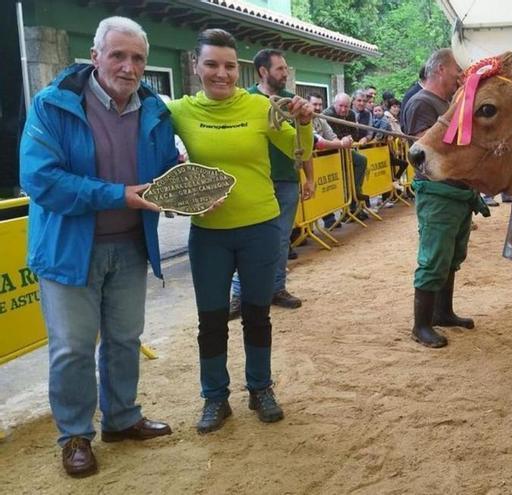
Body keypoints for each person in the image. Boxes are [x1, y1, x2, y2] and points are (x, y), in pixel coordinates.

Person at [19, 16, 175, 478]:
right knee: (72, 347)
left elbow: (165, 170)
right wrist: (120, 194)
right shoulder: (52, 105)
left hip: (130, 245)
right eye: (118, 55)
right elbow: (41, 180)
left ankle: (122, 418)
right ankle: (74, 435)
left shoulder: (155, 109)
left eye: (138, 58)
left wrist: (184, 192)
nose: (129, 67)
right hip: (70, 250)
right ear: (95, 56)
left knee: (125, 339)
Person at [165, 29, 314, 434]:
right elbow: (154, 154)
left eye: (229, 65)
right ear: (196, 66)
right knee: (211, 320)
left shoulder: (259, 105)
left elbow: (299, 150)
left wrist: (303, 122)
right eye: (211, 64)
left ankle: (260, 388)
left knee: (257, 314)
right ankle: (215, 398)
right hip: (209, 233)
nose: (221, 73)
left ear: (240, 69)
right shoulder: (179, 111)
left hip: (261, 228)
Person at [402, 48, 490, 348]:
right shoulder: (420, 103)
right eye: (456, 71)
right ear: (440, 69)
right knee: (434, 257)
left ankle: (443, 312)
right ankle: (421, 325)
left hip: (457, 191)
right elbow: (425, 150)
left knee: (451, 256)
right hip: (437, 193)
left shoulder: (445, 101)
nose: (460, 76)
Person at [228, 48, 315, 320]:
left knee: (279, 240)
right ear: (263, 71)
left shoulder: (293, 102)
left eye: (286, 68)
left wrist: (309, 178)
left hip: (287, 179)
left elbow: (304, 145)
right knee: (247, 239)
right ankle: (239, 296)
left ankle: (276, 289)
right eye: (280, 69)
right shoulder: (244, 100)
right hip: (254, 181)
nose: (285, 73)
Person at [323, 92, 370, 221]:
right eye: (341, 106)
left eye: (346, 106)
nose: (344, 109)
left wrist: (348, 139)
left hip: (345, 149)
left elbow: (355, 133)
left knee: (361, 161)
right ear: (334, 104)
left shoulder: (351, 114)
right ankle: (332, 218)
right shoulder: (327, 114)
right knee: (333, 183)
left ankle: (355, 193)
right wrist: (343, 140)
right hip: (329, 152)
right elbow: (331, 135)